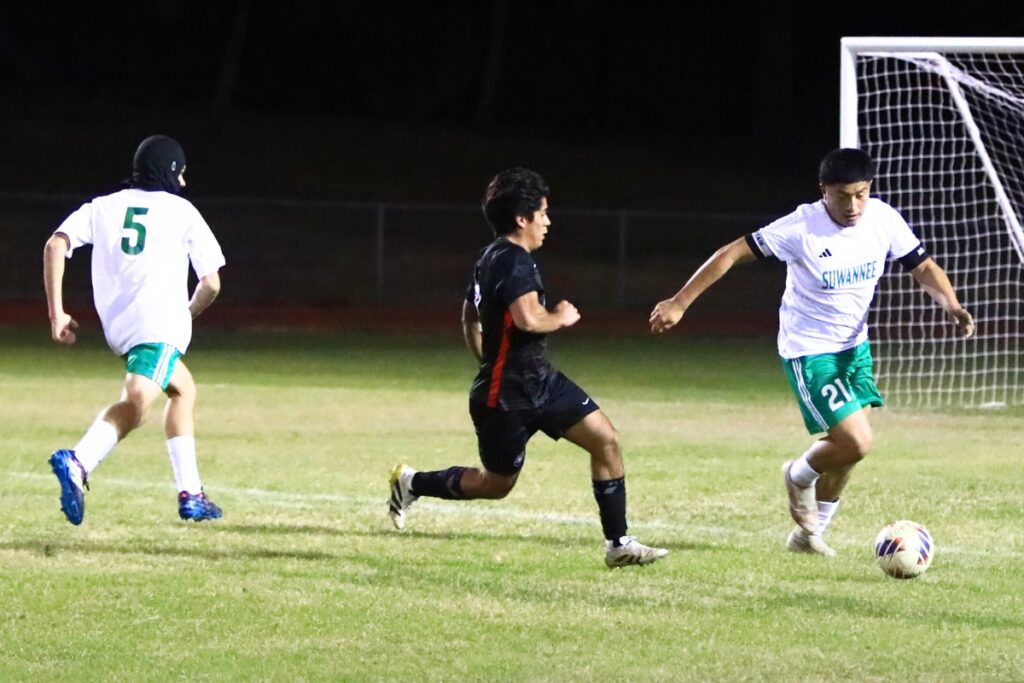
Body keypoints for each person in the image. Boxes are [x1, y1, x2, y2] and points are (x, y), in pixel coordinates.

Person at [649, 148, 975, 556]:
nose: (853, 205)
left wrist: (952, 305)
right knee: (856, 442)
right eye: (843, 195)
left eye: (861, 193)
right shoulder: (802, 227)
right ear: (824, 191)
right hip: (811, 351)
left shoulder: (883, 218)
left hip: (855, 348)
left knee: (846, 454)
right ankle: (797, 474)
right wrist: (680, 302)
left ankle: (808, 535)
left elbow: (922, 266)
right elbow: (731, 253)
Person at [388, 167, 668, 568]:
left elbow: (469, 314)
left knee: (606, 440)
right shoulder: (514, 260)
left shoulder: (490, 256)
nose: (548, 222)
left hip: (541, 381)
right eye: (543, 213)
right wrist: (561, 315)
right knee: (496, 484)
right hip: (506, 397)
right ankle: (411, 482)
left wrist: (486, 356)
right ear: (522, 219)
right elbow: (529, 320)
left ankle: (618, 543)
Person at [43, 134, 226, 525]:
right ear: (171, 171)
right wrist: (188, 313)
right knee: (138, 403)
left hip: (120, 326)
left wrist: (56, 313)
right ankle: (79, 460)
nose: (184, 182)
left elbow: (55, 245)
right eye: (182, 174)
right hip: (157, 324)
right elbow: (211, 283)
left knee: (183, 389)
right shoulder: (182, 211)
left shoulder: (103, 207)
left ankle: (192, 492)